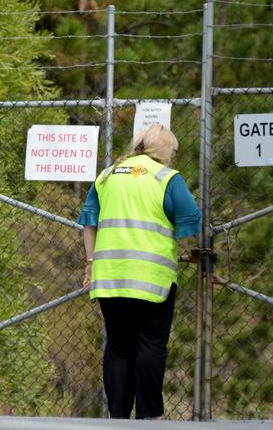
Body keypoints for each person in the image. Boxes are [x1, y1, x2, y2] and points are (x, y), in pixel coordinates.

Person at [78, 124, 200, 419]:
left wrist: (90, 264)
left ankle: (118, 416)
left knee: (117, 343)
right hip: (151, 279)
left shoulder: (107, 176)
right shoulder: (166, 178)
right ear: (165, 150)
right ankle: (150, 416)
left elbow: (88, 222)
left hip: (109, 277)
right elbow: (191, 218)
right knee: (150, 344)